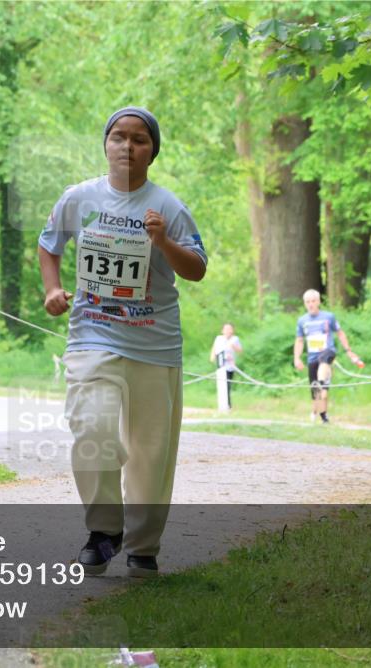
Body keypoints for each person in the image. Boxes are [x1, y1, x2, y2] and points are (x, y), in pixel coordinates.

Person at [38, 106, 207, 578]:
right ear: (106, 144)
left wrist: (162, 242)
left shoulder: (168, 207)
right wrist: (53, 290)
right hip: (92, 336)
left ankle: (142, 547)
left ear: (152, 150)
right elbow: (49, 245)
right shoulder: (79, 199)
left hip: (154, 345)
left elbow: (195, 268)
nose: (127, 146)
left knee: (150, 454)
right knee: (91, 429)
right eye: (119, 137)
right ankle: (104, 530)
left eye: (139, 139)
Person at [293, 289, 361, 424]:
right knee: (316, 393)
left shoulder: (328, 317)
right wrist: (297, 357)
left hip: (328, 352)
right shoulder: (302, 321)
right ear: (305, 304)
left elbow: (340, 333)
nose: (311, 304)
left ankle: (323, 384)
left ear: (318, 302)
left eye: (313, 301)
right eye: (308, 302)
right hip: (312, 357)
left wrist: (348, 350)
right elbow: (299, 340)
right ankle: (321, 415)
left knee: (323, 369)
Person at [209, 323, 242, 408]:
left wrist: (233, 346)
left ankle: (228, 405)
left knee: (228, 385)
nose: (228, 331)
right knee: (222, 384)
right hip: (220, 365)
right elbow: (214, 348)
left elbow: (240, 350)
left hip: (230, 366)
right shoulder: (219, 338)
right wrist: (212, 356)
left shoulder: (235, 339)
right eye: (226, 329)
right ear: (222, 330)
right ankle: (224, 405)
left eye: (230, 329)